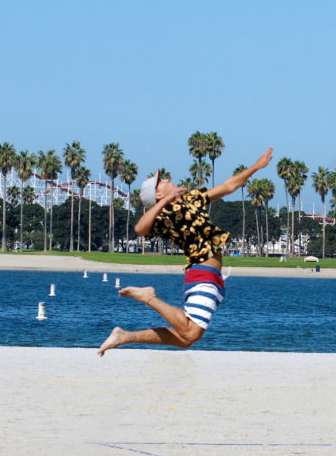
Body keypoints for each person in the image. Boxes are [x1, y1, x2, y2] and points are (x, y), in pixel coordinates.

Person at [98, 147, 273, 355]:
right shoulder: (163, 214)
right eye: (160, 181)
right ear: (158, 194)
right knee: (191, 335)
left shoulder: (191, 199)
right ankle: (148, 297)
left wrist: (256, 167)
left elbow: (228, 186)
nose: (166, 179)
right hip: (202, 273)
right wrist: (165, 201)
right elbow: (140, 229)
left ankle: (126, 336)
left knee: (186, 339)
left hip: (212, 277)